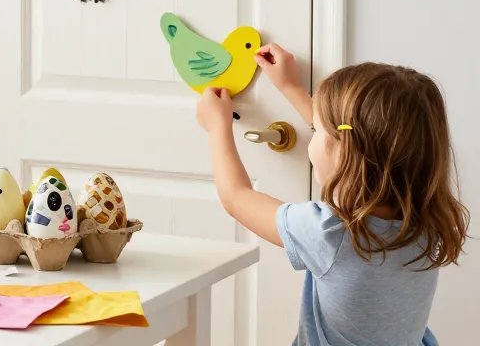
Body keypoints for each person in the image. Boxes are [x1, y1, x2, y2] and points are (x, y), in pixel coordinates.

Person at [196, 43, 469, 346]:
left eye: (318, 132)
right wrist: (290, 87)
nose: (313, 135)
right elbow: (349, 136)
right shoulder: (427, 222)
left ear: (346, 152)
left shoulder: (332, 233)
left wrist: (217, 127)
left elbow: (236, 197)